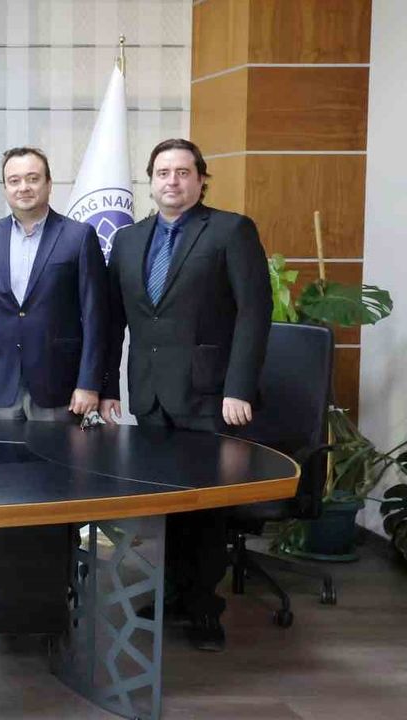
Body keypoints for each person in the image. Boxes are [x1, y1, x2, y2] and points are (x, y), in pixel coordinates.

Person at [100, 138, 272, 652]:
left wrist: (238, 387)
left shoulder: (230, 230)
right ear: (150, 181)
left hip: (209, 394)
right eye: (162, 173)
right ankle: (173, 591)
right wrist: (107, 387)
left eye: (182, 172)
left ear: (200, 179)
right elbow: (112, 321)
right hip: (150, 394)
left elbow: (254, 313)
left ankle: (204, 608)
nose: (171, 181)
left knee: (205, 507)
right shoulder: (129, 240)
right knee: (166, 503)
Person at [0, 147, 107, 421]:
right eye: (14, 180)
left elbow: (95, 317)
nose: (23, 187)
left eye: (33, 178)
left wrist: (89, 383)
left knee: (57, 452)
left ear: (49, 184)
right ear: (5, 188)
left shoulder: (79, 237)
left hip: (59, 385)